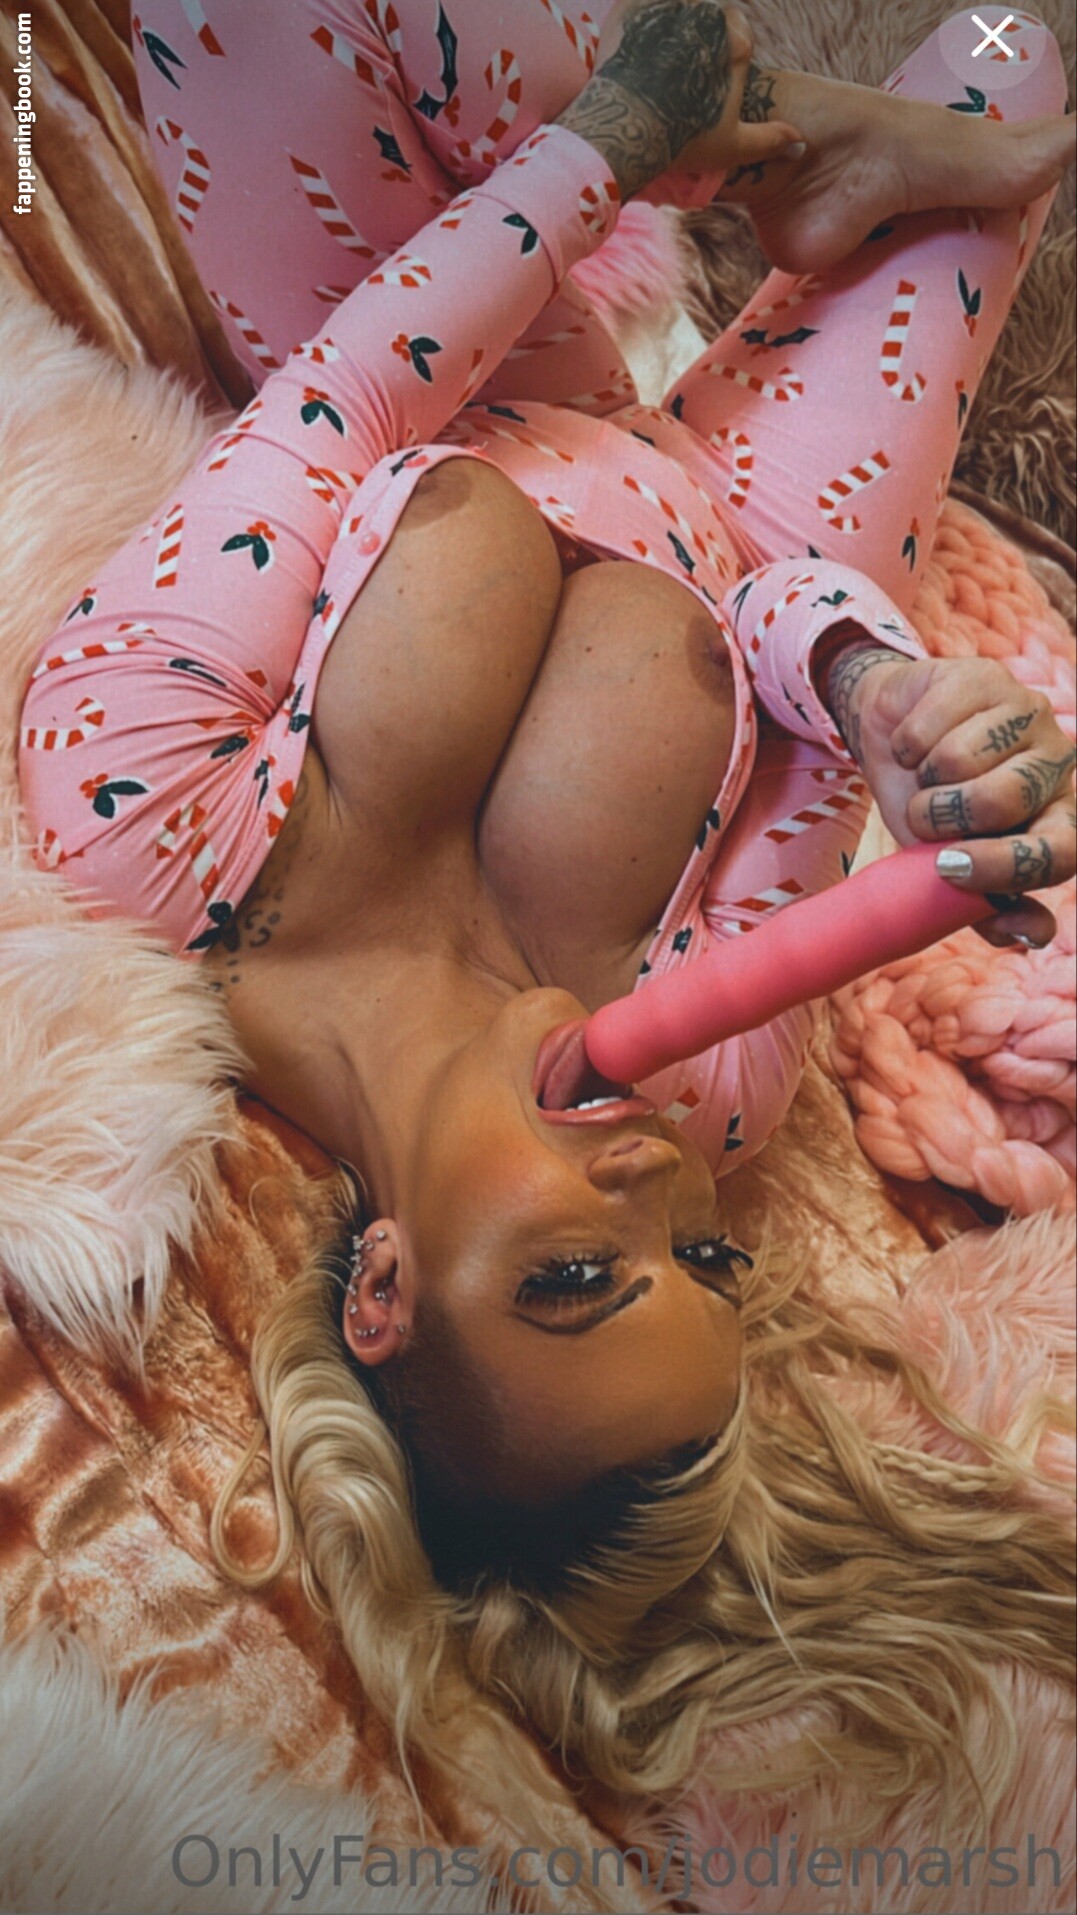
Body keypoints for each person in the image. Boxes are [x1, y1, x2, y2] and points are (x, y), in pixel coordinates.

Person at [18, 0, 1076, 1843]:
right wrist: (884, 695)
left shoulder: (140, 837)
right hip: (748, 506)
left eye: (576, 1280)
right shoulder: (717, 1095)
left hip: (424, 357)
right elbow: (776, 623)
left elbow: (339, 410)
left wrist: (607, 150)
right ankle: (807, 134)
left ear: (384, 1292)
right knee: (1006, 58)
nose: (651, 1193)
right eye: (703, 1262)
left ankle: (749, 117)